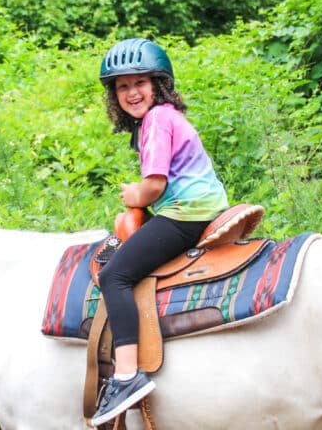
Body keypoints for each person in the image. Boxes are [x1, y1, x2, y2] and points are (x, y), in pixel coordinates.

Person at [91, 38, 229, 426]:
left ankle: (126, 376)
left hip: (186, 214)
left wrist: (133, 194)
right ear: (114, 94)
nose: (132, 92)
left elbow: (153, 185)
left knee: (114, 274)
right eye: (122, 86)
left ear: (158, 84)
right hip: (197, 208)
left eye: (140, 83)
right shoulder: (166, 117)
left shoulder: (155, 121)